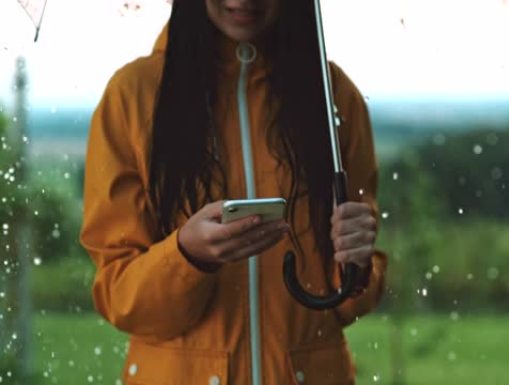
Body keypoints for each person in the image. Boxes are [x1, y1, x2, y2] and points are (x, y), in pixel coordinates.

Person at [79, 0, 387, 384]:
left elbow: (346, 302)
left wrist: (356, 264)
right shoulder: (133, 97)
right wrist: (187, 255)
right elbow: (121, 299)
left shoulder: (332, 96)